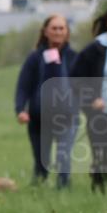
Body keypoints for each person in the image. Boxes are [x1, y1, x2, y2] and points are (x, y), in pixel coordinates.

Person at [14, 14, 78, 189]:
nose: (58, 32)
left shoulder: (74, 58)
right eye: (54, 28)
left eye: (61, 28)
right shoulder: (35, 58)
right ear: (45, 32)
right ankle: (37, 191)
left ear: (67, 32)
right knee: (42, 164)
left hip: (67, 118)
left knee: (63, 160)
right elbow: (23, 87)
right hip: (39, 119)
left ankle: (63, 193)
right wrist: (20, 110)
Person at [70, 6, 107, 193]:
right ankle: (99, 188)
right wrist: (91, 99)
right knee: (102, 154)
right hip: (100, 113)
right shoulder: (95, 49)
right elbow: (75, 79)